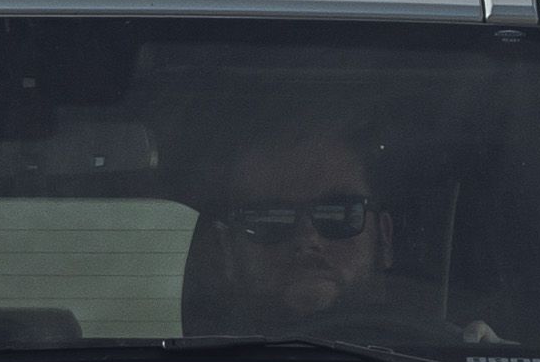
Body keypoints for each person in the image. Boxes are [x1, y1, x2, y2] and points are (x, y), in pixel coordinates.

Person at [192, 123, 463, 348]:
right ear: (227, 249)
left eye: (337, 214)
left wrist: (481, 347)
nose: (308, 239)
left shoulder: (450, 361)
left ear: (384, 238)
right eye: (269, 218)